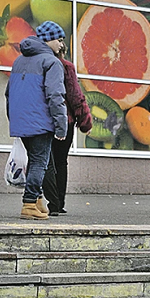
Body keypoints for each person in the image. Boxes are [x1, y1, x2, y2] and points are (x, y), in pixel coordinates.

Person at [5, 21, 67, 220]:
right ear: (49, 40)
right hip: (41, 121)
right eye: (59, 39)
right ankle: (29, 203)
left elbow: (9, 93)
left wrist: (13, 118)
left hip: (22, 121)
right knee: (39, 162)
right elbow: (55, 96)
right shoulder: (52, 62)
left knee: (34, 162)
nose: (61, 45)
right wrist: (61, 126)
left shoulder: (18, 61)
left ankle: (38, 201)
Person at [42, 41, 92, 215]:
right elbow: (75, 96)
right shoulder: (66, 67)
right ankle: (57, 203)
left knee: (44, 162)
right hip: (65, 121)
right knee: (60, 162)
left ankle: (46, 201)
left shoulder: (39, 64)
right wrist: (85, 121)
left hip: (42, 121)